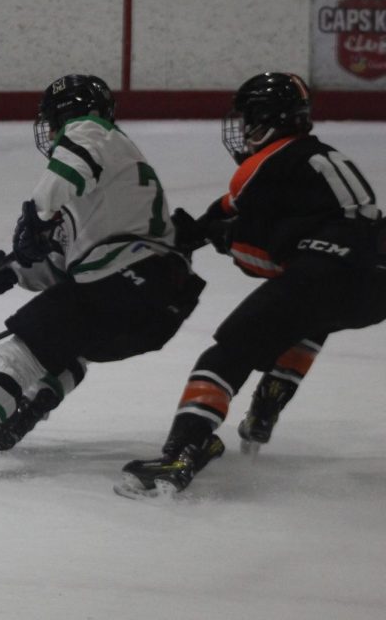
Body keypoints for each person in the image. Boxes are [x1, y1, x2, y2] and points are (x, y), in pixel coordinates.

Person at [0, 75, 205, 476]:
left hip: (130, 279)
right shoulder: (104, 193)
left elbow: (70, 167)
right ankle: (28, 408)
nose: (51, 133)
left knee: (18, 351)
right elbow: (66, 267)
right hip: (158, 308)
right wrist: (3, 272)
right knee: (69, 342)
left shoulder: (92, 132)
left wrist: (35, 218)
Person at [119, 73, 386, 496]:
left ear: (268, 120)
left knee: (230, 350)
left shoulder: (267, 161)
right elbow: (234, 212)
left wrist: (214, 237)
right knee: (307, 314)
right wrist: (208, 228)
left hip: (327, 268)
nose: (243, 130)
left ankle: (184, 449)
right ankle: (269, 402)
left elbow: (248, 239)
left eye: (248, 120)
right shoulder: (315, 157)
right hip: (376, 283)